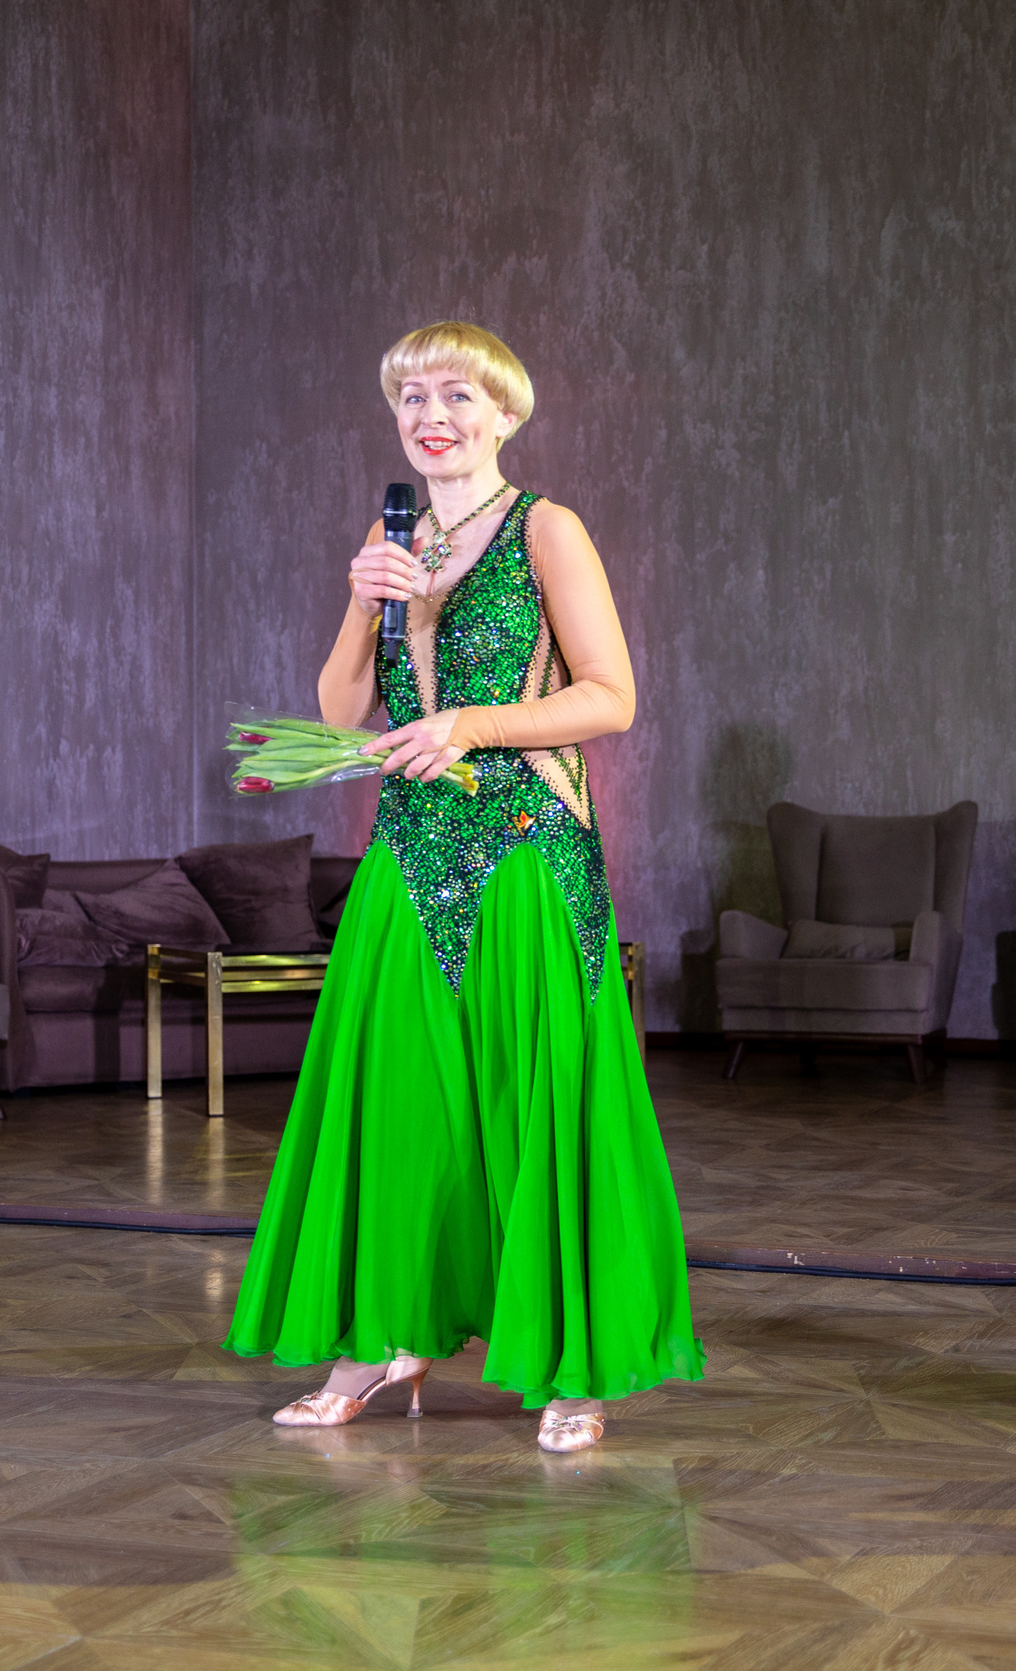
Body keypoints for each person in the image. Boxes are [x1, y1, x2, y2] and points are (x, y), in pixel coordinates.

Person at [225, 321, 704, 1452]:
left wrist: (471, 726)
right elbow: (342, 716)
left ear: (502, 413)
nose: (431, 416)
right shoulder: (392, 538)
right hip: (410, 852)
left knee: (537, 1098)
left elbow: (611, 697)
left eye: (455, 396)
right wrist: (363, 595)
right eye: (411, 399)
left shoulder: (548, 529)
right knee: (396, 1103)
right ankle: (391, 1334)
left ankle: (573, 1358)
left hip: (529, 847)